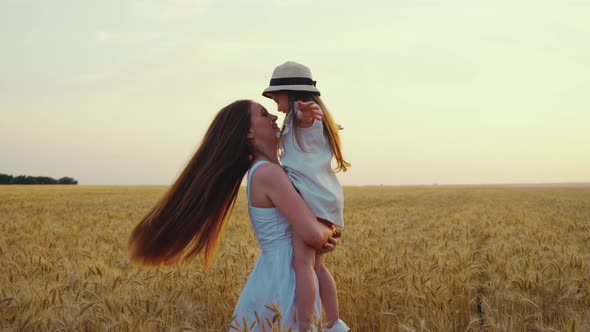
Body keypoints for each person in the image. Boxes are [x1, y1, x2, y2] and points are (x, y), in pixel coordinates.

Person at [127, 99, 341, 331]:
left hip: (284, 277)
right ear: (249, 132)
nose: (274, 117)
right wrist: (328, 231)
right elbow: (312, 233)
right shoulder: (268, 173)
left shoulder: (271, 171)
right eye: (263, 114)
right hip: (285, 285)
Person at [262, 61, 351, 332]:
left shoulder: (302, 117)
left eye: (277, 98)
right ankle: (334, 323)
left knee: (302, 264)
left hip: (310, 197)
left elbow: (303, 119)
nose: (276, 106)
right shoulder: (311, 121)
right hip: (325, 197)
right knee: (317, 266)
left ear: (293, 95)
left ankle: (305, 326)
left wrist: (304, 114)